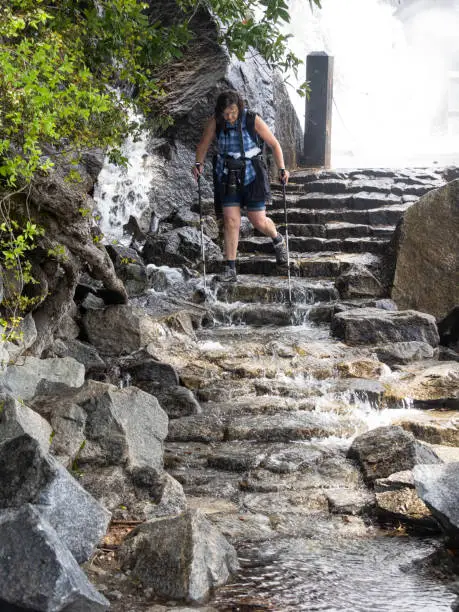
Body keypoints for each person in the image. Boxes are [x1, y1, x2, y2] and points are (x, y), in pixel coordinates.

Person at [192, 90, 290, 282]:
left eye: (233, 112)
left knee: (258, 221)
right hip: (227, 174)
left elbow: (274, 144)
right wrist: (198, 164)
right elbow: (202, 146)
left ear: (239, 108)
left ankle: (278, 239)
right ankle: (230, 269)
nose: (229, 117)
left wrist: (282, 168)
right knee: (230, 221)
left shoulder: (252, 119)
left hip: (252, 173)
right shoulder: (216, 122)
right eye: (226, 113)